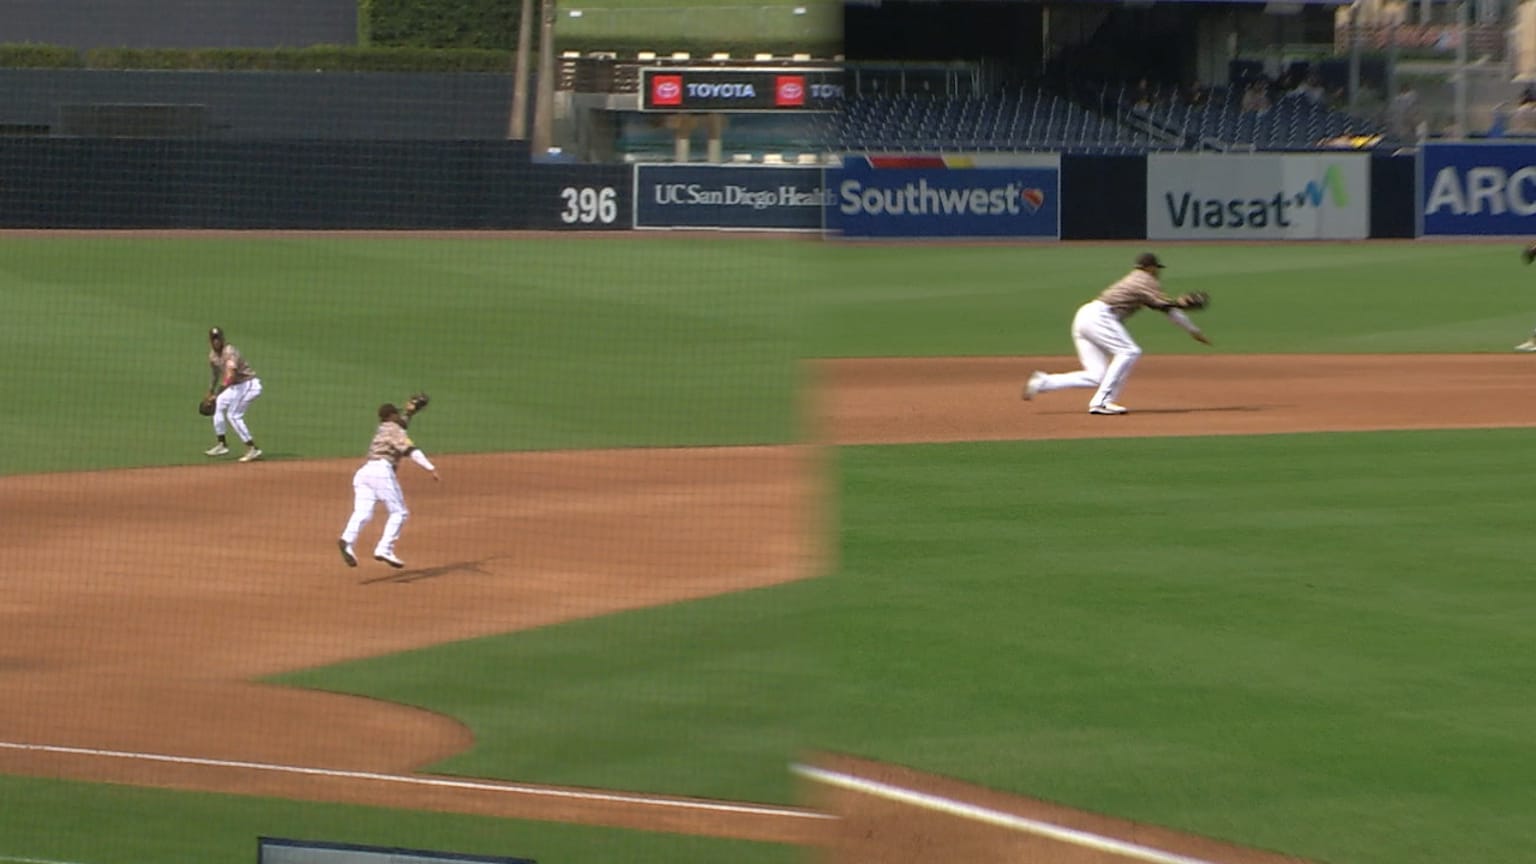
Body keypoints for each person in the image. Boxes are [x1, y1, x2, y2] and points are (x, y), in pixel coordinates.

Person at [1022, 252, 1212, 415]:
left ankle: (1044, 382)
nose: (1158, 271)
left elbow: (1168, 310)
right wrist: (1182, 303)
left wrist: (1192, 330)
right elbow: (1166, 306)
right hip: (1100, 316)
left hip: (1085, 317)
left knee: (1097, 375)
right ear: (1150, 268)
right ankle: (1101, 402)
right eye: (1157, 268)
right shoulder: (1144, 279)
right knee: (1129, 351)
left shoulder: (1138, 280)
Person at [337, 402, 439, 568]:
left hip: (364, 473)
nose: (399, 416)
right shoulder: (394, 429)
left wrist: (409, 413)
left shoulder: (384, 428)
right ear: (391, 416)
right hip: (381, 472)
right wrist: (430, 467)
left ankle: (347, 541)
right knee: (400, 512)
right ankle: (384, 548)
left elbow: (401, 425)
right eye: (397, 414)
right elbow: (409, 449)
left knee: (362, 513)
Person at [204, 326, 263, 462]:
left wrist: (218, 393)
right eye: (214, 339)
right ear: (210, 341)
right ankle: (222, 444)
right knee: (219, 403)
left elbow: (230, 375)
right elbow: (215, 375)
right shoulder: (213, 356)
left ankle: (252, 448)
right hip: (236, 387)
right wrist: (210, 392)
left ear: (223, 339)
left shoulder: (229, 352)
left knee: (234, 415)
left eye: (218, 338)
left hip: (248, 384)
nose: (216, 342)